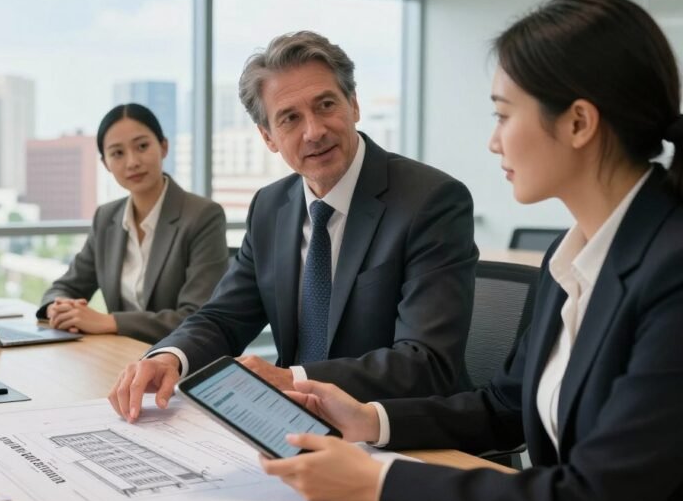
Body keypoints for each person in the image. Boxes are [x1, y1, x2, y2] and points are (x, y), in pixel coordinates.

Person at [260, 0, 683, 501]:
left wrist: (378, 483)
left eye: (503, 115)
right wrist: (369, 419)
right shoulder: (570, 257)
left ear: (578, 123)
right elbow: (505, 406)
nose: (492, 141)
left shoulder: (671, 272)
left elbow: (595, 499)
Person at [110, 31, 478, 421]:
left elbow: (425, 363)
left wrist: (290, 379)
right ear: (268, 137)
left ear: (353, 105)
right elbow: (223, 317)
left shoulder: (430, 200)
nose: (314, 131)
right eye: (290, 118)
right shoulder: (271, 206)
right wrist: (170, 357)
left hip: (398, 430)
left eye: (326, 105)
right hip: (294, 423)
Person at [38, 103, 228, 343]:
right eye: (117, 153)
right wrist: (58, 308)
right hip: (121, 358)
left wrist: (109, 322)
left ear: (164, 147)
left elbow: (197, 316)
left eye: (142, 146)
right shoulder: (106, 218)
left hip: (182, 361)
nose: (132, 162)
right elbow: (65, 287)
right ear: (106, 163)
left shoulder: (202, 215)